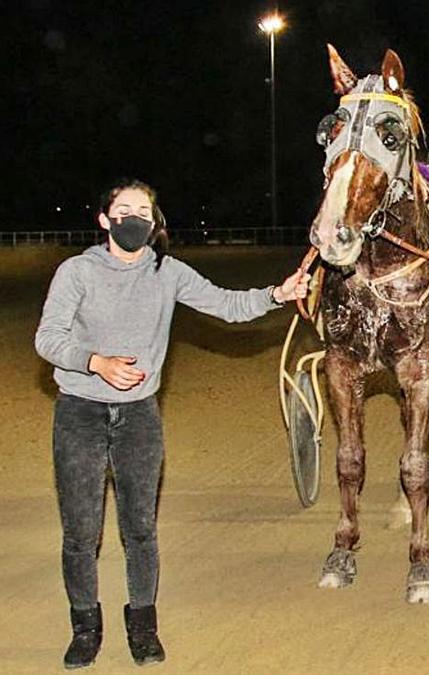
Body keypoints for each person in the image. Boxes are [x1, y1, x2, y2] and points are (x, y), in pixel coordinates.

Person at [34, 179, 309, 669]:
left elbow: (227, 305)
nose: (134, 218)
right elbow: (48, 339)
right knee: (80, 531)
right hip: (79, 412)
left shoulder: (169, 272)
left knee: (140, 528)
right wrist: (96, 362)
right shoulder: (76, 272)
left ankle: (143, 624)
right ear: (104, 219)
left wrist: (276, 293)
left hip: (139, 416)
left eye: (144, 210)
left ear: (155, 222)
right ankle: (85, 626)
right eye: (123, 210)